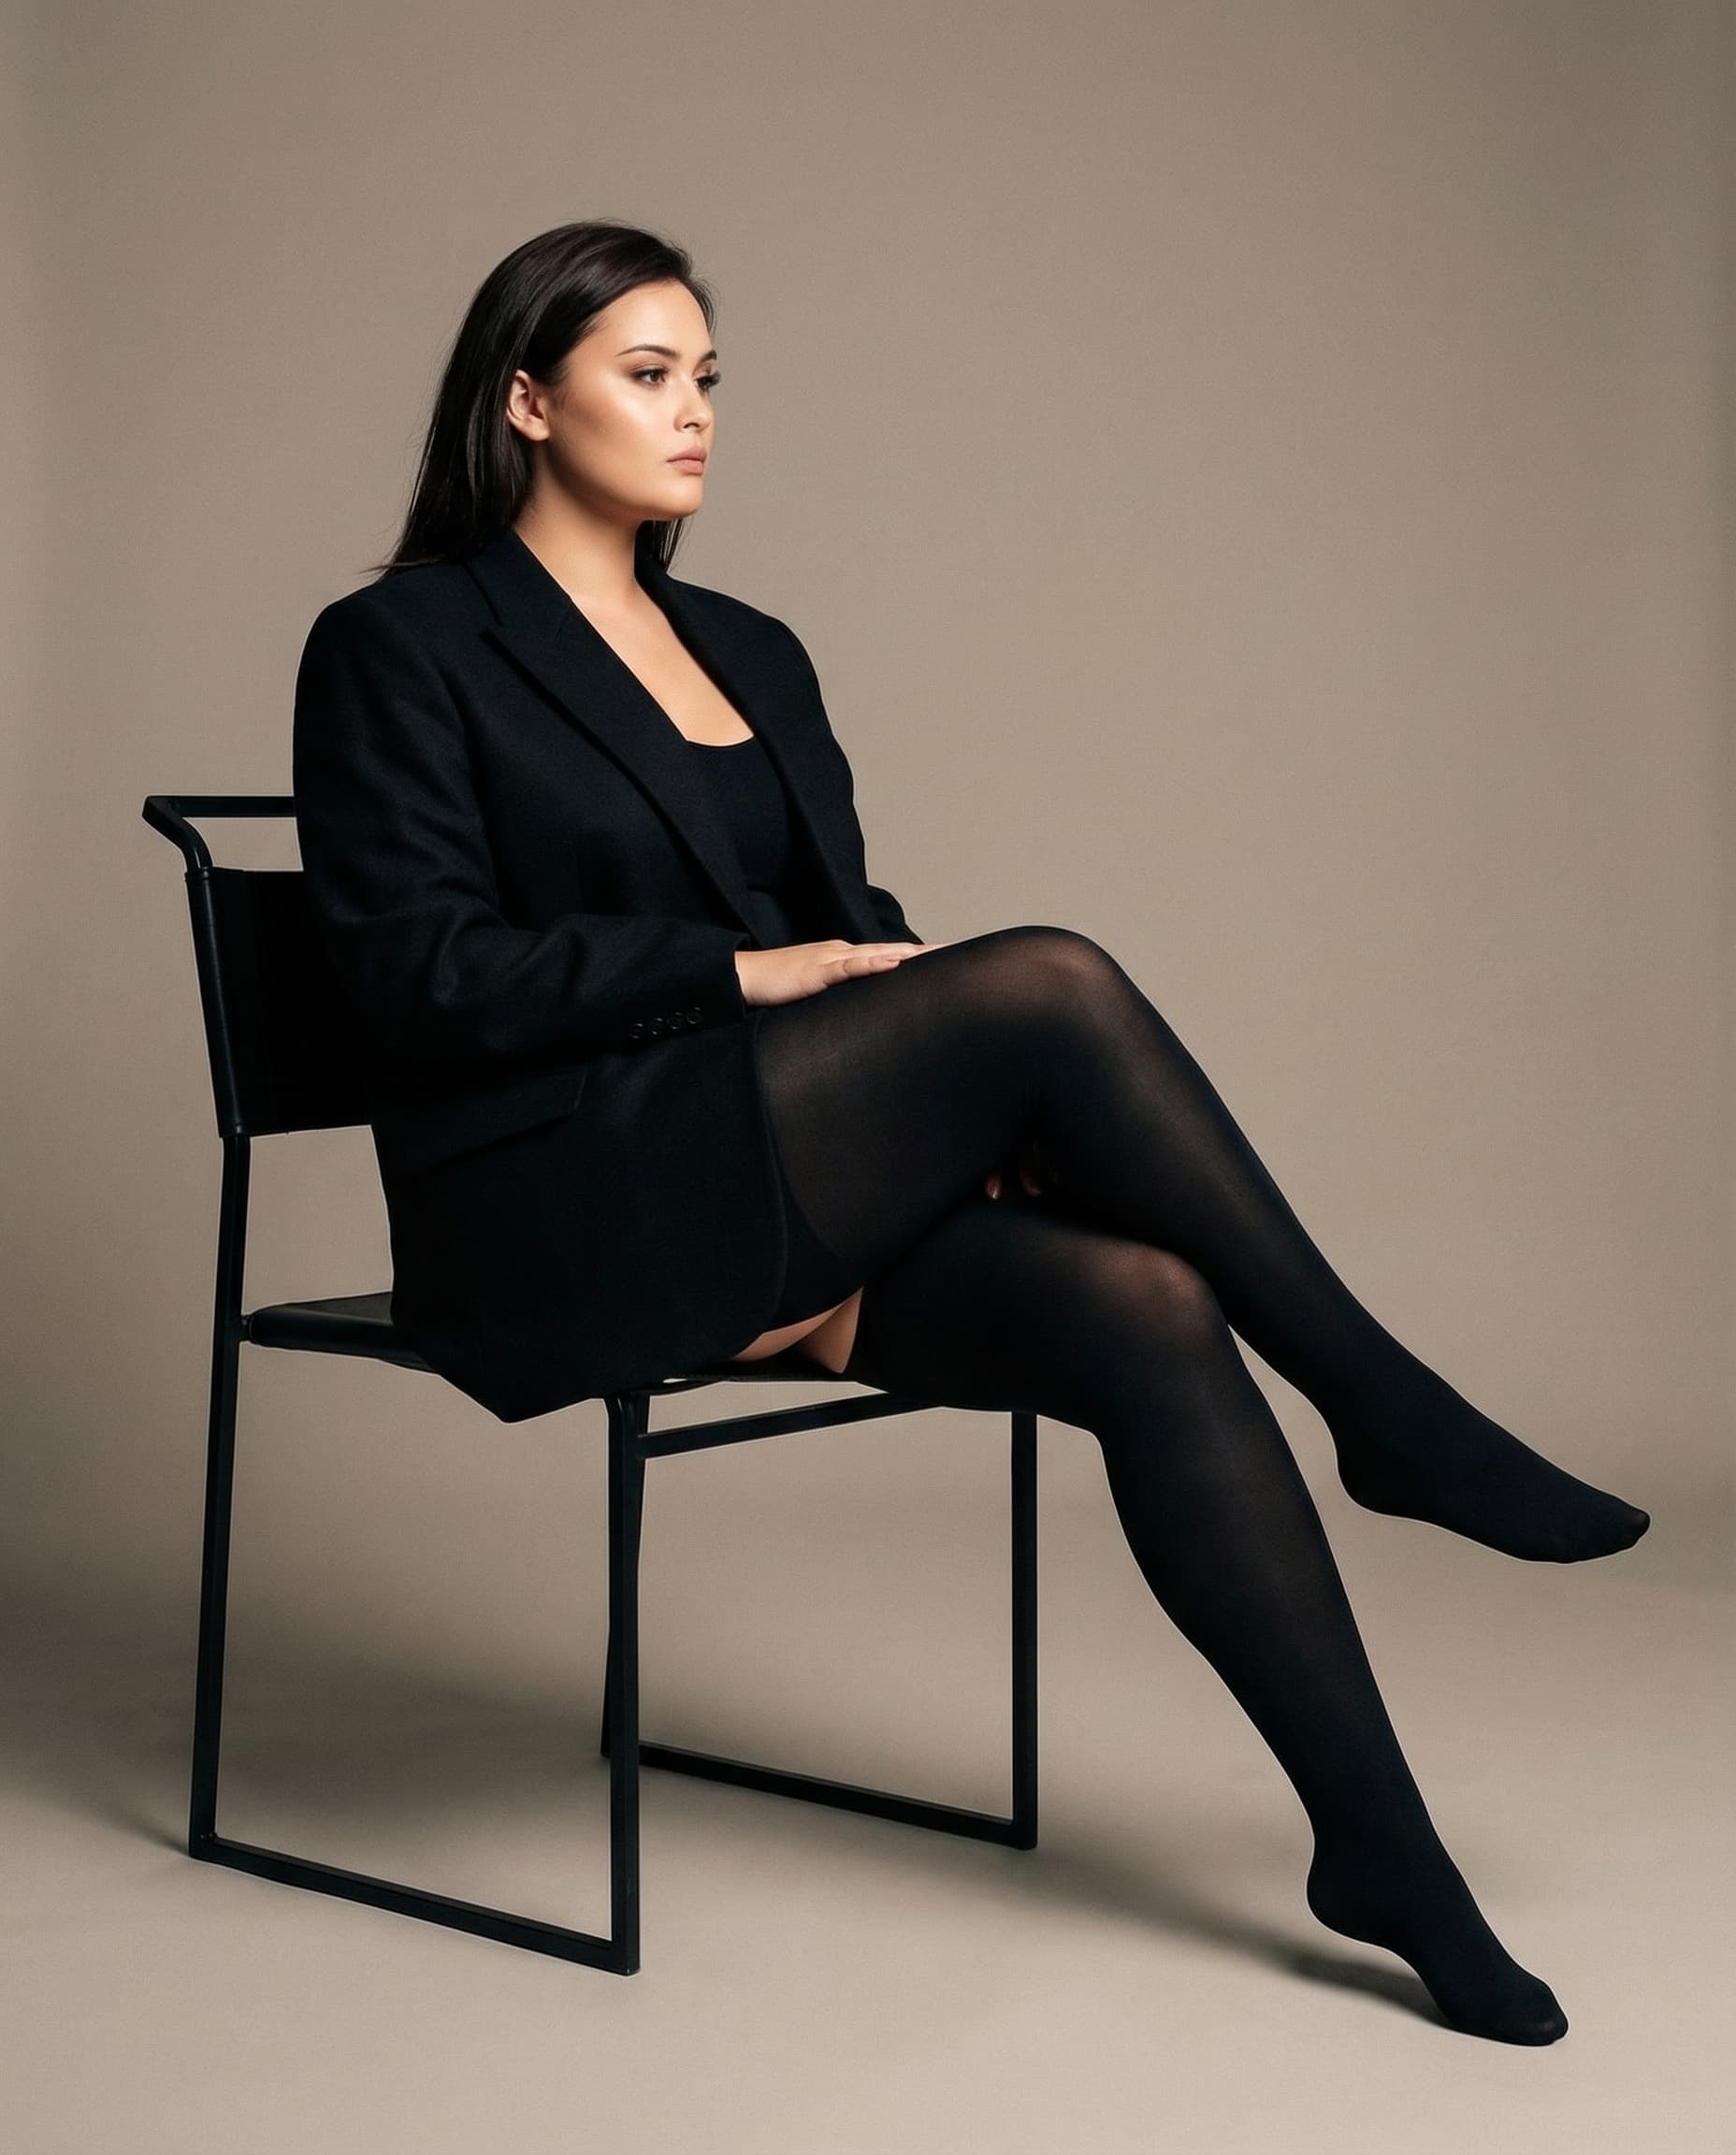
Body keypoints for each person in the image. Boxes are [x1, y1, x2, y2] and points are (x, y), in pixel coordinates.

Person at [293, 219, 1650, 2047]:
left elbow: (853, 927)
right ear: (527, 402)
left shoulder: (749, 650)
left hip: (762, 1186)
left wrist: (942, 1096)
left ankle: (1381, 1852)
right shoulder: (400, 644)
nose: (694, 414)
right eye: (647, 374)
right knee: (1046, 981)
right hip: (565, 1205)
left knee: (1149, 1305)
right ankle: (1387, 1412)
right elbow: (414, 975)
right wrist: (746, 977)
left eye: (708, 379)